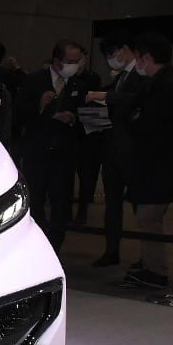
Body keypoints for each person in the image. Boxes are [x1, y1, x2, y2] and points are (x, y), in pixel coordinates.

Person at [97, 32, 173, 288]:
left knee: (148, 218)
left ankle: (156, 271)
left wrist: (133, 119)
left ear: (147, 58)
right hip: (154, 165)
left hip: (159, 166)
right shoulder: (160, 82)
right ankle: (151, 266)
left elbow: (150, 123)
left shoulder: (166, 85)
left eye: (139, 58)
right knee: (148, 219)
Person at [84, 31, 147, 267]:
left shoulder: (140, 75)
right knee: (112, 205)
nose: (111, 59)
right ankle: (112, 250)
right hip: (111, 150)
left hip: (133, 152)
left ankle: (147, 257)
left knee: (141, 207)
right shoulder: (119, 78)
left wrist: (107, 96)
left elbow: (135, 100)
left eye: (113, 53)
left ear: (125, 49)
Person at [18, 40, 86, 250]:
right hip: (37, 151)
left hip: (64, 153)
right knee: (35, 200)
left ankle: (55, 245)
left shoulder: (79, 84)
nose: (74, 65)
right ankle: (37, 242)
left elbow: (87, 117)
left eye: (77, 61)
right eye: (70, 61)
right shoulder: (35, 79)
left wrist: (73, 118)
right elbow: (20, 112)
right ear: (57, 61)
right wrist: (39, 105)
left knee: (61, 202)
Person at [71, 43, 104, 224]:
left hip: (87, 131)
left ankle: (82, 210)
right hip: (70, 131)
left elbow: (95, 110)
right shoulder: (67, 79)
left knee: (86, 175)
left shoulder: (92, 78)